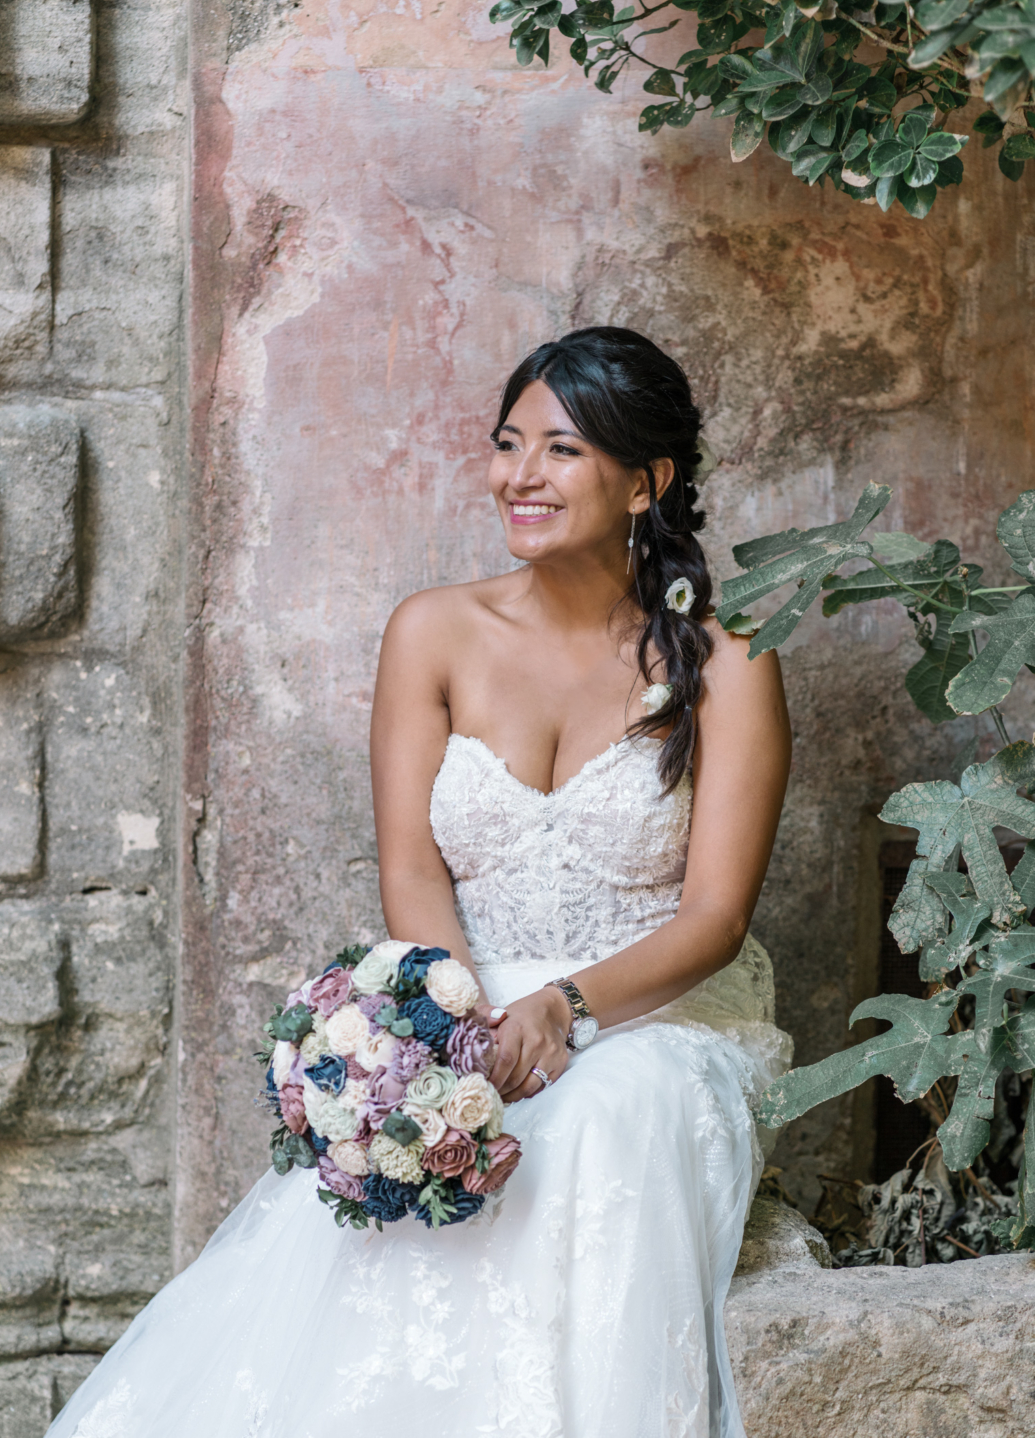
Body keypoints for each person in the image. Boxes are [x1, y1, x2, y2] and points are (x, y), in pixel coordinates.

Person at [48, 326, 793, 1438]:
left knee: (593, 1124)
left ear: (648, 482)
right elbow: (411, 863)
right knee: (414, 1151)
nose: (520, 476)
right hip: (473, 996)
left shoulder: (731, 663)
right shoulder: (433, 631)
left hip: (654, 1016)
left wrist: (568, 1006)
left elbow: (718, 918)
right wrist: (446, 1026)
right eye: (507, 445)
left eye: (561, 450)